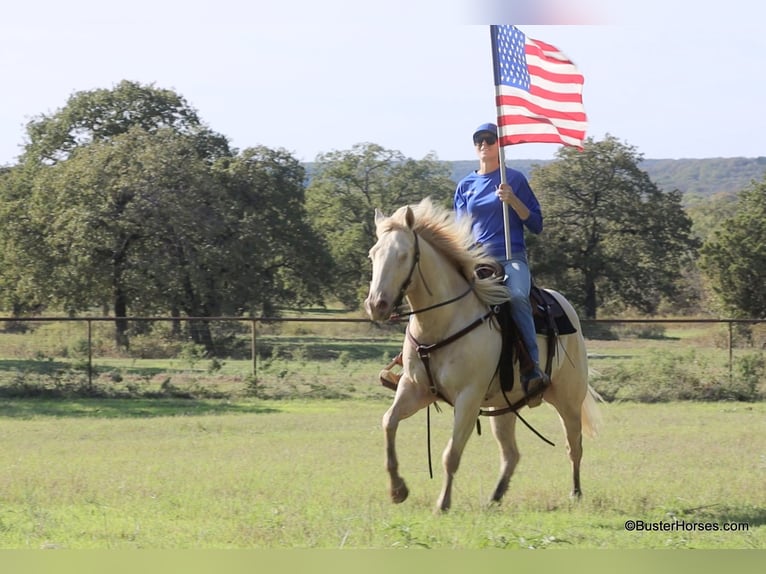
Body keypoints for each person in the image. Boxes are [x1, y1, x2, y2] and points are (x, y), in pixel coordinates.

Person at [453, 122, 549, 399]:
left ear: (500, 145)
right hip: (477, 261)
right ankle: (419, 364)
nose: (483, 144)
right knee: (440, 294)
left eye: (489, 139)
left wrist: (513, 200)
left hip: (510, 257)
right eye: (478, 140)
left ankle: (532, 369)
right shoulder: (465, 185)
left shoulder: (514, 179)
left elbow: (537, 224)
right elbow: (459, 232)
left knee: (518, 296)